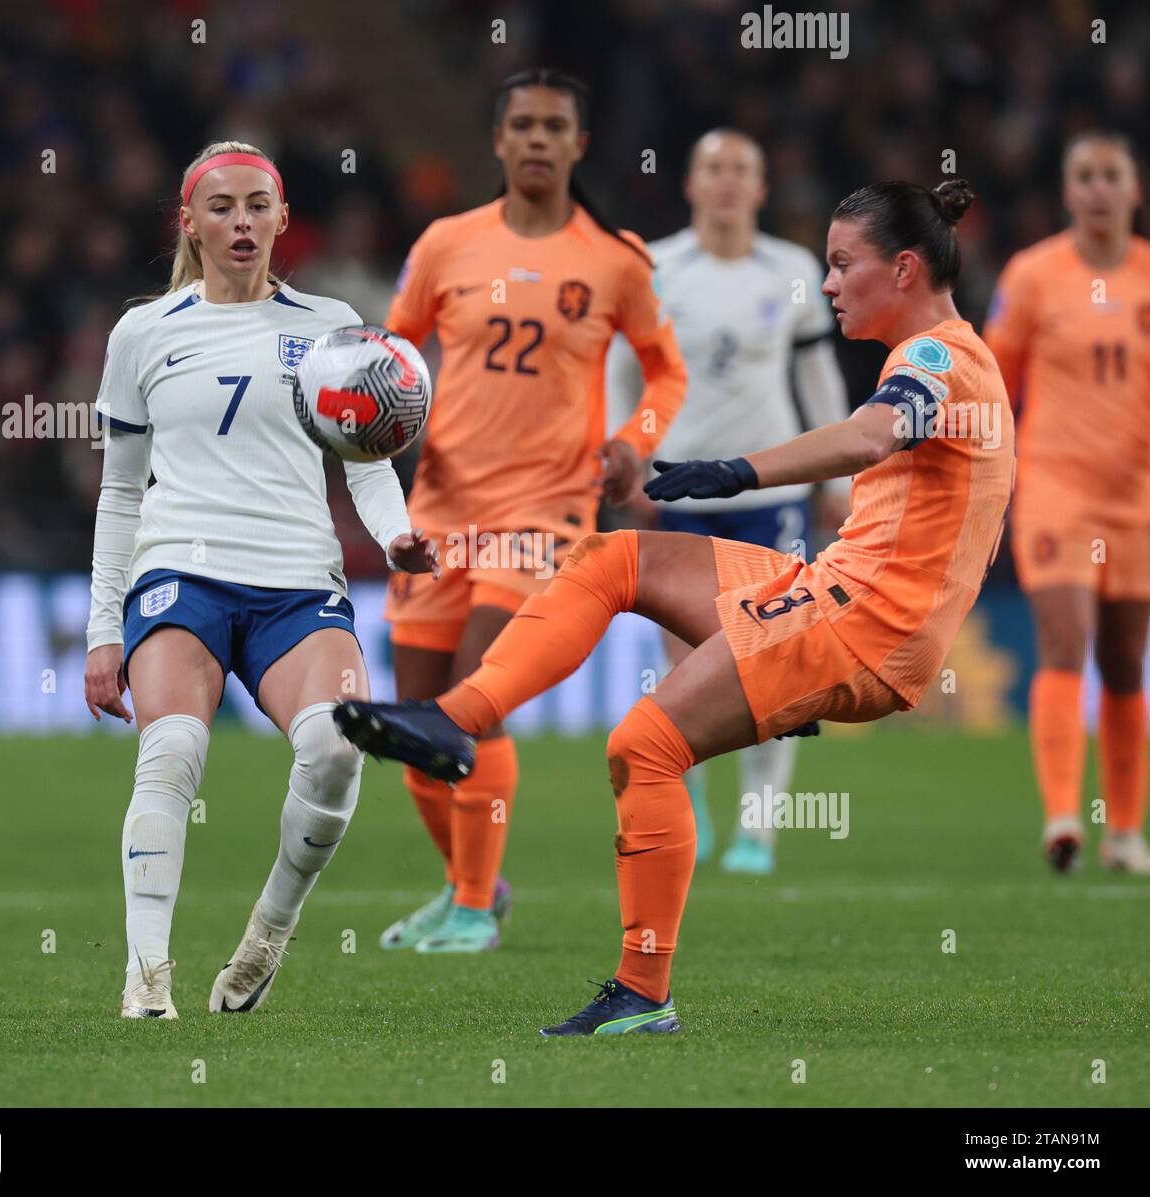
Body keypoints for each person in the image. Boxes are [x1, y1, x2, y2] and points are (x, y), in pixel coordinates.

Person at [335, 178, 1014, 1035]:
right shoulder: (951, 357)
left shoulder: (935, 359)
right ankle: (456, 720)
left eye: (844, 266)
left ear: (905, 268)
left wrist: (741, 469)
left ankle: (643, 993)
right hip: (836, 591)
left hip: (862, 623)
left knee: (643, 746)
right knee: (617, 559)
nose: (830, 284)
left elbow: (873, 436)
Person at [84, 141, 437, 1019]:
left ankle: (269, 931)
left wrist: (397, 537)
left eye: (256, 206)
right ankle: (147, 975)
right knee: (171, 751)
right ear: (190, 223)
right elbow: (122, 489)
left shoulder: (332, 324)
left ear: (282, 219)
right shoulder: (143, 332)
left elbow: (368, 460)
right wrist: (102, 628)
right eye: (222, 207)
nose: (240, 222)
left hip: (295, 580)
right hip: (180, 570)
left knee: (334, 747)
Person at [376, 69, 686, 953]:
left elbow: (666, 370)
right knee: (412, 717)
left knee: (475, 698)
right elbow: (391, 356)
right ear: (500, 141)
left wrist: (636, 439)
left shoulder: (616, 259)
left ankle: (473, 909)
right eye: (524, 124)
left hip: (546, 510)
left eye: (556, 125)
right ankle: (470, 884)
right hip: (439, 507)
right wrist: (375, 438)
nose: (540, 138)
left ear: (579, 143)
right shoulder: (445, 245)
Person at [607, 128, 849, 872]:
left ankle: (760, 828)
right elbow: (624, 367)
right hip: (679, 485)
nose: (727, 182)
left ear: (762, 187)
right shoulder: (655, 266)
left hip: (769, 488)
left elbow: (816, 380)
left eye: (742, 168)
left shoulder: (793, 269)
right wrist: (629, 459)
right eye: (713, 168)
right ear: (690, 183)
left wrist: (835, 478)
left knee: (776, 660)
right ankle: (692, 812)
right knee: (685, 667)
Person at [984, 131, 1150, 875]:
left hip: (1138, 496)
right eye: (1083, 175)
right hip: (1055, 485)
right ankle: (1061, 817)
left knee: (1122, 660)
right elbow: (995, 381)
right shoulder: (1033, 274)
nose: (1097, 189)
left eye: (1110, 175)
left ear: (1134, 189)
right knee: (1065, 636)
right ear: (1066, 190)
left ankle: (1123, 831)